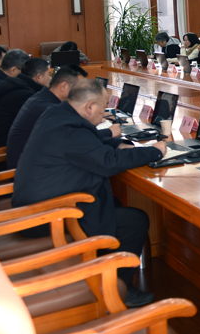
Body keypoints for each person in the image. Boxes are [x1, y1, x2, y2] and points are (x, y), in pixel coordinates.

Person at [12, 80, 164, 308]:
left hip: (36, 204)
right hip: (47, 217)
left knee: (113, 203)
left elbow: (85, 143)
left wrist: (114, 142)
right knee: (135, 220)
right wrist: (154, 151)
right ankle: (118, 289)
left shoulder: (56, 114)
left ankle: (102, 268)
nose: (104, 116)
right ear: (89, 107)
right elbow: (107, 162)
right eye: (102, 109)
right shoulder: (71, 130)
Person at [6, 65, 108, 169]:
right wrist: (109, 132)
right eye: (78, 88)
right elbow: (78, 139)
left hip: (34, 163)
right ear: (63, 86)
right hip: (27, 169)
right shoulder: (49, 109)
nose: (82, 93)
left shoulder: (41, 98)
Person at [0, 56, 51, 149]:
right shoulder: (24, 94)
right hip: (5, 148)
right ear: (38, 77)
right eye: (49, 74)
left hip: (2, 141)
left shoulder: (16, 85)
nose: (50, 78)